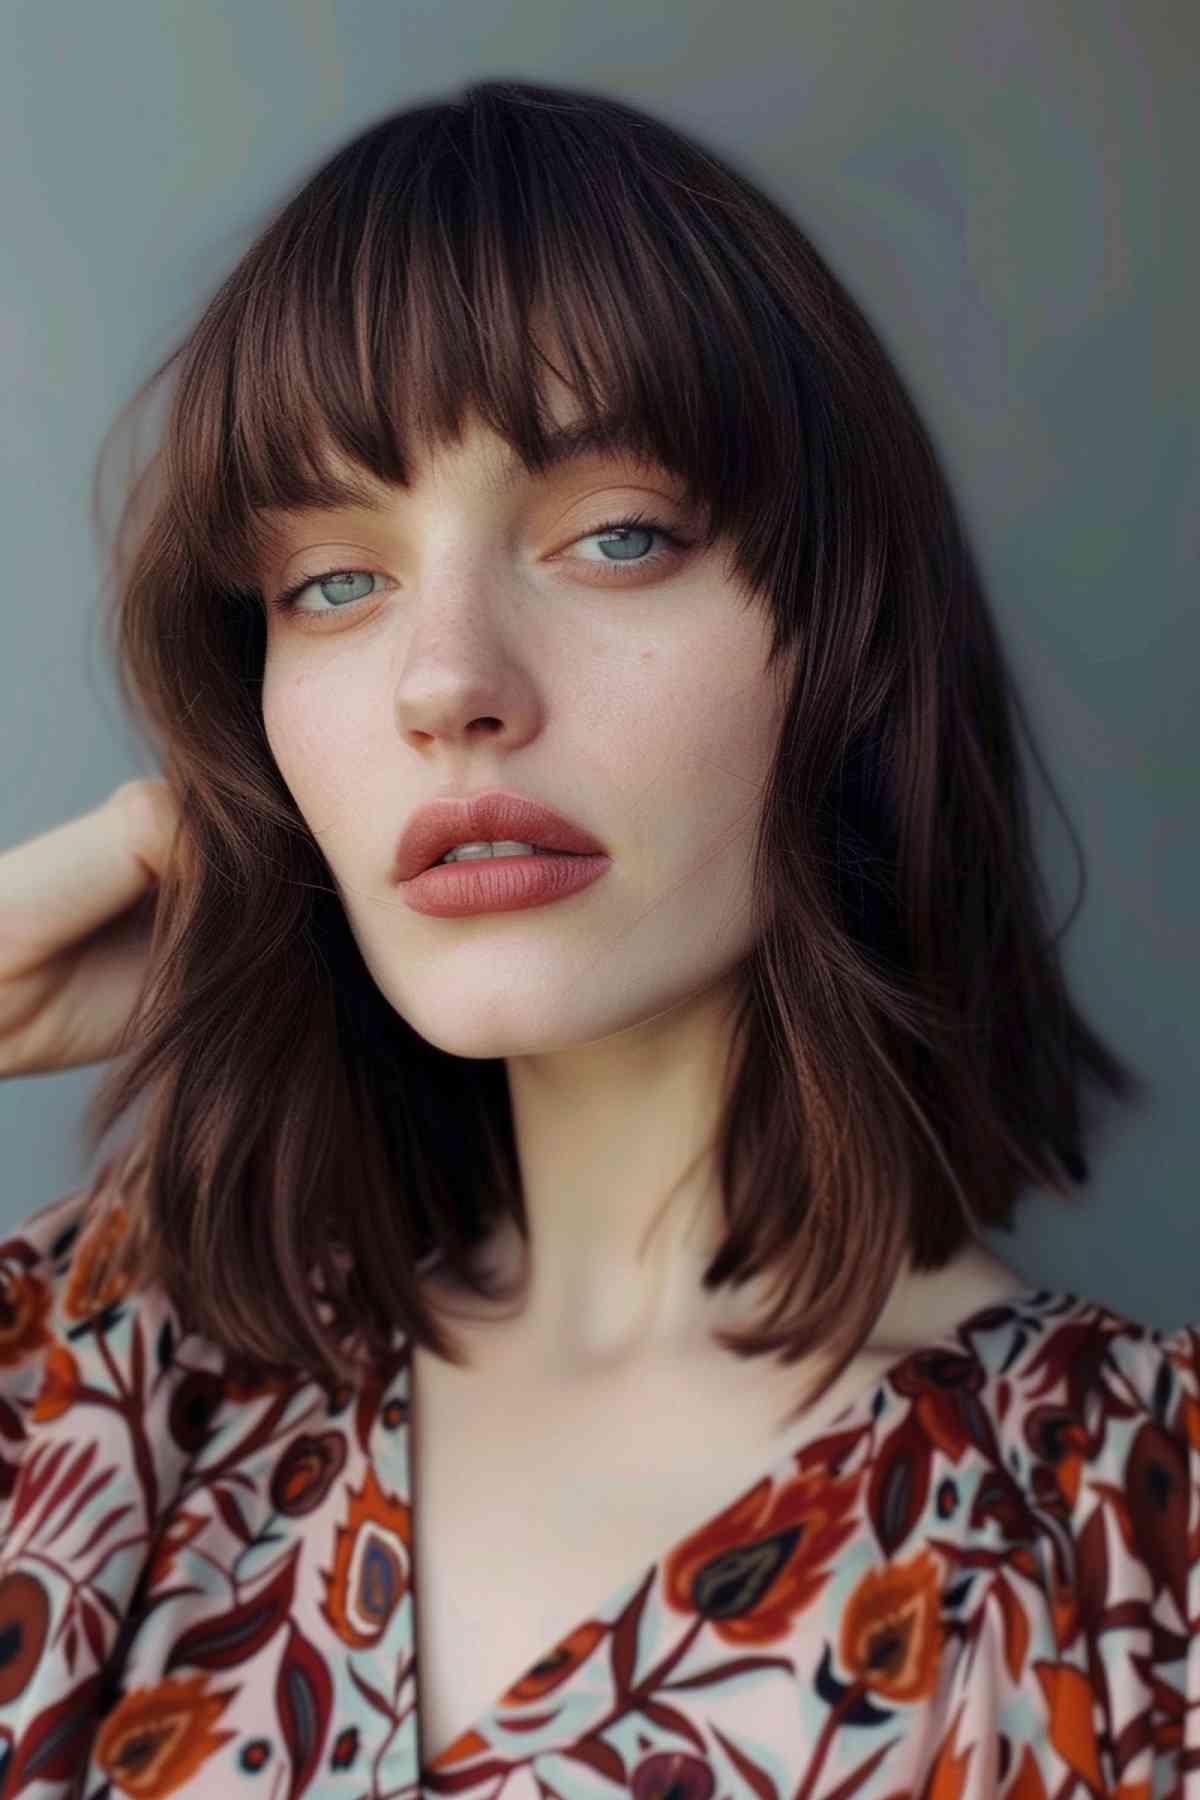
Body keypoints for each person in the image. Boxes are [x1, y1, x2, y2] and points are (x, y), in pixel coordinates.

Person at [0, 74, 1194, 1799]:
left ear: (843, 650)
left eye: (616, 537)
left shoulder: (1129, 1546)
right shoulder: (102, 1393)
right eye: (332, 581)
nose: (448, 682)